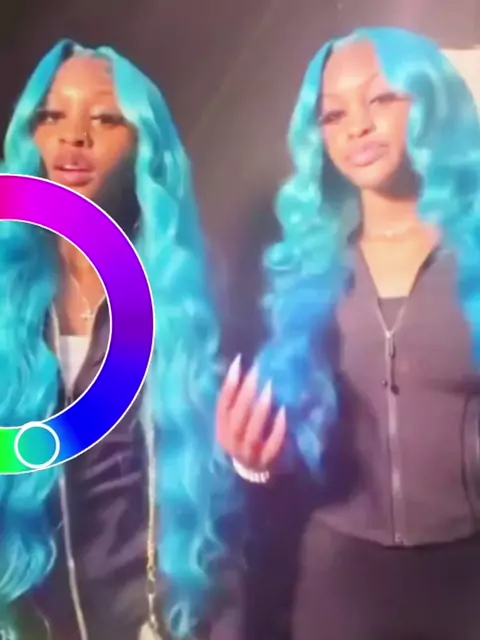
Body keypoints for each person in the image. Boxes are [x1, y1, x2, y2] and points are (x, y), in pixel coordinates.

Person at [216, 27, 480, 640]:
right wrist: (254, 464)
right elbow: (284, 465)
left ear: (430, 99)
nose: (357, 126)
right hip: (342, 580)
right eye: (334, 114)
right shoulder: (303, 267)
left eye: (381, 98)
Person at [0, 40, 229, 640]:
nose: (73, 137)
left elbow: (222, 493)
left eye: (104, 118)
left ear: (143, 145)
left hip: (159, 619)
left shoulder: (183, 293)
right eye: (52, 115)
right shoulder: (8, 288)